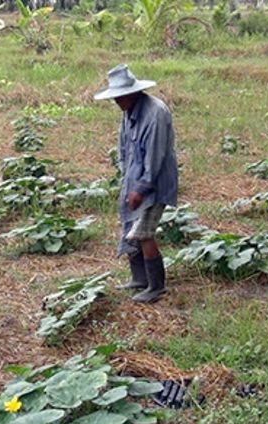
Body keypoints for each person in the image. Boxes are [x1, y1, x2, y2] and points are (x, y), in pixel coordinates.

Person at [94, 64, 178, 303]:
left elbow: (155, 156)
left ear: (133, 92)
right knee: (130, 226)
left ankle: (157, 286)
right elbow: (124, 149)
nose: (117, 102)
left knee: (143, 233)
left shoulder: (156, 113)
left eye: (120, 97)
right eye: (115, 98)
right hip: (134, 179)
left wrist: (141, 188)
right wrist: (126, 180)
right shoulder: (128, 112)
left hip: (155, 183)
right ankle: (139, 278)